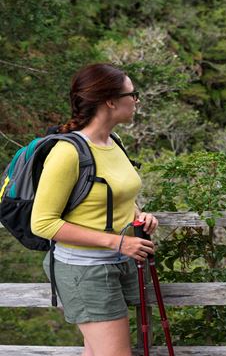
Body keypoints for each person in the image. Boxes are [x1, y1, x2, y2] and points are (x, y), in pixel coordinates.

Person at [31, 63, 158, 356]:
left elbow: (117, 195)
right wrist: (119, 242)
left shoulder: (113, 141)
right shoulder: (67, 153)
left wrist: (139, 217)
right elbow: (43, 223)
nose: (136, 100)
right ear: (111, 101)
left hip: (118, 263)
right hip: (84, 270)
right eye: (132, 94)